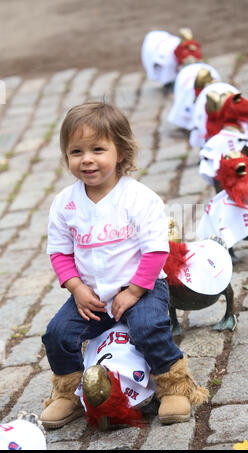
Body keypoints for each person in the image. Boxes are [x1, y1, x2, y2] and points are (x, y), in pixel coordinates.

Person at [40, 102, 208, 429]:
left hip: (141, 287)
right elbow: (59, 253)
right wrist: (76, 288)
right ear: (66, 157)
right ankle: (68, 393)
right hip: (91, 293)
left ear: (121, 153)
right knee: (57, 334)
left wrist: (134, 292)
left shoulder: (138, 198)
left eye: (98, 149)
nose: (87, 159)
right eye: (76, 151)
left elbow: (156, 251)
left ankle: (173, 385)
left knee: (148, 327)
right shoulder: (66, 204)